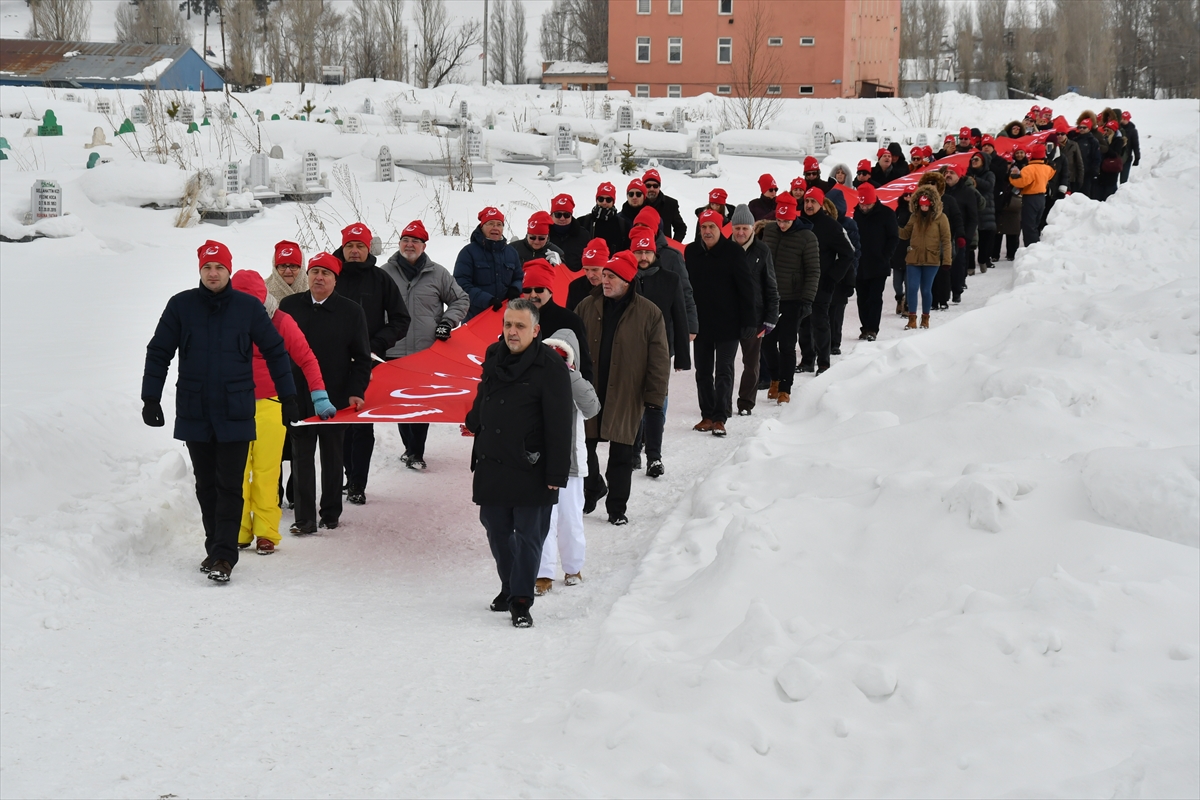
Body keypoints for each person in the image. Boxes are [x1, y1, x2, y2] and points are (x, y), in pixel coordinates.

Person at [142, 240, 299, 583]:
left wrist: (288, 397)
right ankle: (215, 546)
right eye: (207, 268)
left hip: (237, 408)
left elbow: (275, 351)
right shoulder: (181, 306)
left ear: (228, 270)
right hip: (195, 408)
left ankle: (225, 556)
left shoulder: (247, 307)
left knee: (230, 484)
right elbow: (159, 352)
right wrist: (150, 398)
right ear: (200, 271)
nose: (213, 274)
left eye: (219, 268)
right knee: (205, 485)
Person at [465, 298, 573, 628]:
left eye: (520, 326)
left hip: (533, 466)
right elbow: (485, 393)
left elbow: (559, 422)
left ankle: (522, 600)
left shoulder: (550, 367)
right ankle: (510, 584)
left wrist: (556, 471)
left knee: (529, 536)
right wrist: (474, 420)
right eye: (508, 325)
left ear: (536, 330)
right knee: (496, 530)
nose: (512, 332)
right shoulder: (494, 355)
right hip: (494, 461)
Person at [229, 269, 332, 556]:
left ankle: (266, 532)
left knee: (265, 471)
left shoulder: (280, 321)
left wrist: (319, 396)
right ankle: (237, 531)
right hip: (231, 406)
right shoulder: (222, 320)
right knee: (235, 472)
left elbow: (307, 358)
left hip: (270, 405)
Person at [279, 252, 372, 534]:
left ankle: (330, 513)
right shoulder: (289, 306)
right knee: (301, 457)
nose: (319, 278)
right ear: (307, 276)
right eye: (314, 272)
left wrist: (356, 391)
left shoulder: (351, 311)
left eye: (326, 273)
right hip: (298, 394)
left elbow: (362, 357)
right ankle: (304, 519)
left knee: (332, 457)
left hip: (335, 396)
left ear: (335, 279)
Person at [576, 252, 670, 523]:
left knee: (621, 453)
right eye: (604, 275)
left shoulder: (650, 313)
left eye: (611, 276)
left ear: (628, 280)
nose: (604, 280)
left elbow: (659, 359)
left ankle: (617, 509)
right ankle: (593, 487)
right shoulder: (586, 305)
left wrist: (654, 396)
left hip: (627, 392)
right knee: (583, 447)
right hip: (590, 389)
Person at [381, 219, 470, 470]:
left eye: (415, 241)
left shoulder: (438, 273)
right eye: (405, 240)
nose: (409, 245)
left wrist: (447, 322)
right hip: (394, 349)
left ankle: (416, 452)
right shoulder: (384, 273)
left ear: (423, 245)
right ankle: (410, 448)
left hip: (425, 351)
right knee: (400, 402)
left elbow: (461, 300)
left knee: (421, 403)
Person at [334, 223, 411, 507]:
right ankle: (345, 473)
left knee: (362, 425)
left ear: (369, 249)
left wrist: (376, 345)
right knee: (338, 424)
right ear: (342, 248)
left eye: (360, 246)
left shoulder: (380, 279)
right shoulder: (330, 275)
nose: (354, 251)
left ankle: (358, 483)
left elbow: (401, 319)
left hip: (368, 363)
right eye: (350, 246)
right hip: (333, 362)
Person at [535, 327, 601, 596]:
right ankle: (543, 572)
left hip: (571, 466)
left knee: (570, 518)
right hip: (540, 463)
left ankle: (573, 567)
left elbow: (592, 407)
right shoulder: (535, 378)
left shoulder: (575, 382)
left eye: (561, 356)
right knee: (543, 520)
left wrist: (568, 374)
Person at [685, 210, 755, 435]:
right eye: (703, 227)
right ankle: (706, 415)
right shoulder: (692, 251)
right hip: (701, 323)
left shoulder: (733, 252)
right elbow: (686, 290)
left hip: (728, 323)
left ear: (719, 228)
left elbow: (746, 289)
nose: (707, 231)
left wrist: (749, 322)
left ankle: (720, 417)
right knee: (703, 371)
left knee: (724, 370)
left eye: (711, 227)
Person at [630, 229, 691, 477]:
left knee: (655, 402)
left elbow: (680, 315)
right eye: (638, 252)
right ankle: (633, 451)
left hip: (660, 349)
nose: (643, 257)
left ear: (655, 253)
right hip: (630, 349)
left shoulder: (670, 279)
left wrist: (683, 356)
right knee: (632, 402)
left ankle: (654, 456)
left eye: (647, 252)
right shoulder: (624, 279)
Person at [760, 194, 819, 404]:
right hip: (769, 297)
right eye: (779, 220)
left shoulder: (807, 237)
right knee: (766, 343)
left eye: (786, 221)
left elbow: (813, 271)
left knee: (786, 344)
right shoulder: (769, 231)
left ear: (794, 218)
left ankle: (785, 387)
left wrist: (807, 300)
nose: (782, 225)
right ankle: (774, 378)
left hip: (793, 298)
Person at [265, 239, 308, 508]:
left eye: (293, 265)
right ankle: (274, 491)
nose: (288, 271)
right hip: (270, 375)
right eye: (283, 266)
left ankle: (296, 490)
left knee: (299, 436)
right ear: (275, 266)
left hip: (301, 372)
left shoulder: (309, 289)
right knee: (273, 439)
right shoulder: (264, 291)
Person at [797, 187, 854, 375]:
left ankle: (823, 362)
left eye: (813, 201)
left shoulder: (832, 226)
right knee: (803, 323)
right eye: (806, 201)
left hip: (823, 282)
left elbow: (848, 253)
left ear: (821, 204)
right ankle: (807, 360)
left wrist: (834, 277)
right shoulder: (798, 223)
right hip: (801, 282)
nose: (809, 205)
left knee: (820, 322)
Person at [729, 204, 779, 415]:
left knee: (751, 362)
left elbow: (770, 284)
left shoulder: (762, 250)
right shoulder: (725, 250)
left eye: (745, 228)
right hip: (729, 315)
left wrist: (770, 317)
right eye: (737, 228)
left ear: (752, 228)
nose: (741, 232)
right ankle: (722, 401)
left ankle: (746, 402)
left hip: (756, 316)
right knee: (725, 363)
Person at [520, 257, 594, 383]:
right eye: (527, 290)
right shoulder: (517, 319)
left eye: (539, 290)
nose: (533, 295)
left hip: (557, 393)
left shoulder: (570, 321)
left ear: (550, 291)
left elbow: (585, 368)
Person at [633, 206, 699, 335]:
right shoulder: (629, 254)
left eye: (645, 226)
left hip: (664, 328)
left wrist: (691, 325)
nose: (641, 230)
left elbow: (685, 290)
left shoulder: (672, 256)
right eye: (637, 226)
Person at [455, 206, 524, 320]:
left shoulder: (511, 252)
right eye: (490, 223)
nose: (495, 228)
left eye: (499, 224)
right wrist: (487, 300)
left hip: (507, 317)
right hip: (477, 317)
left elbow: (519, 277)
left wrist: (515, 289)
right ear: (482, 227)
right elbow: (461, 284)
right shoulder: (468, 252)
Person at [897, 186, 952, 330]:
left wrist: (947, 260)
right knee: (912, 288)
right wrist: (893, 227)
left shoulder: (941, 218)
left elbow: (946, 240)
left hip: (931, 259)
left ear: (932, 204)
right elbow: (905, 234)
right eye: (921, 206)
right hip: (913, 258)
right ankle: (912, 318)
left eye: (926, 206)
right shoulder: (914, 217)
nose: (924, 208)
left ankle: (925, 318)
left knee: (926, 290)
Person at [853, 183, 899, 342]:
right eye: (862, 204)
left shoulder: (886, 214)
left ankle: (872, 328)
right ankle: (864, 326)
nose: (864, 207)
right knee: (861, 298)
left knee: (874, 297)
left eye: (868, 204)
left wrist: (885, 256)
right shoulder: (856, 214)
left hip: (878, 264)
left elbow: (893, 237)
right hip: (860, 264)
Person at [825, 190, 859, 356]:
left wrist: (851, 279)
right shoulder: (821, 225)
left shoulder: (846, 225)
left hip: (842, 275)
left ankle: (834, 343)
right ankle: (823, 342)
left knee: (836, 313)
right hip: (826, 275)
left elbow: (852, 254)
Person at [942, 164, 979, 302]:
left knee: (958, 265)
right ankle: (943, 293)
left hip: (959, 234)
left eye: (952, 173)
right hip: (942, 234)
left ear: (959, 176)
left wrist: (967, 237)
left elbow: (973, 217)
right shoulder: (941, 191)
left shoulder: (968, 192)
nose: (948, 175)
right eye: (946, 173)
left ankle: (957, 291)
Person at [1009, 143, 1056, 244]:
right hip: (1041, 198)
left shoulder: (1028, 169)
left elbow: (1021, 182)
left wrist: (1012, 176)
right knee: (1036, 224)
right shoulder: (1046, 168)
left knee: (1029, 226)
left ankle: (1031, 248)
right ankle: (1036, 246)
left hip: (1030, 198)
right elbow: (1052, 172)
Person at [577, 181, 630, 256]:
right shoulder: (583, 222)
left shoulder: (623, 225)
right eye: (601, 199)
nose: (604, 202)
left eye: (608, 200)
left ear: (613, 202)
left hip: (613, 266)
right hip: (589, 266)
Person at [967, 152, 997, 273]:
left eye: (977, 159)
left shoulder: (989, 174)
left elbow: (989, 186)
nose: (974, 161)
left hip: (986, 210)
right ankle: (970, 266)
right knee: (970, 239)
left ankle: (983, 260)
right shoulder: (967, 174)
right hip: (971, 210)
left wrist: (975, 181)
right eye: (973, 159)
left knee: (985, 239)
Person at [642, 168, 688, 241]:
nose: (652, 189)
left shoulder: (670, 204)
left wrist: (673, 246)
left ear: (659, 187)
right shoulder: (637, 203)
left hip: (663, 249)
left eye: (655, 186)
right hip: (641, 248)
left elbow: (681, 228)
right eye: (648, 186)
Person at [547, 193, 590, 270]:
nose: (562, 218)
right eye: (558, 214)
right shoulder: (543, 235)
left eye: (566, 215)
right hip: (548, 278)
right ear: (551, 215)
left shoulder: (583, 235)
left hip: (575, 279)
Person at [567, 238, 608, 312]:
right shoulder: (575, 287)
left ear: (606, 267)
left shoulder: (617, 288)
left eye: (595, 270)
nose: (590, 275)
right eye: (586, 269)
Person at [1094, 120, 1126, 202]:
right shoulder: (1105, 138)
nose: (1106, 132)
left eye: (1108, 130)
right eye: (1105, 130)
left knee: (1109, 191)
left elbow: (1116, 154)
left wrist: (1106, 148)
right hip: (1103, 168)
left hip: (1111, 168)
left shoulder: (1118, 141)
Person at [1118, 111, 1140, 185]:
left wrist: (1137, 157)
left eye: (1125, 119)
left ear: (1128, 119)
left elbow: (1135, 145)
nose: (1123, 120)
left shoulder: (1132, 131)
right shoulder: (1117, 128)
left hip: (1127, 157)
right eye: (1122, 118)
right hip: (1117, 156)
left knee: (1123, 180)